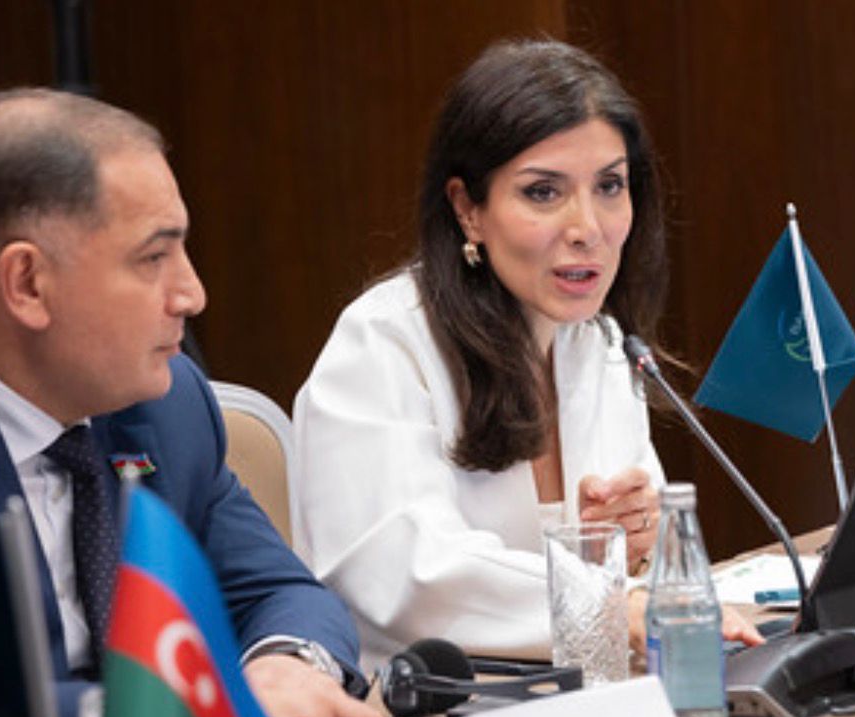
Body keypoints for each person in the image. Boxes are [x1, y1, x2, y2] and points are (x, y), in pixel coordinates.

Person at [0, 88, 401, 717]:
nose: (191, 294)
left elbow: (280, 592)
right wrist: (208, 713)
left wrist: (286, 672)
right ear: (27, 283)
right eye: (154, 258)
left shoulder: (165, 405)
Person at [293, 39, 762, 671]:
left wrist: (642, 544)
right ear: (468, 209)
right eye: (543, 192)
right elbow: (409, 576)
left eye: (610, 186)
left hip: (582, 699)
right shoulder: (382, 343)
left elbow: (641, 587)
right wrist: (610, 600)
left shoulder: (598, 344)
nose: (587, 228)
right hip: (427, 710)